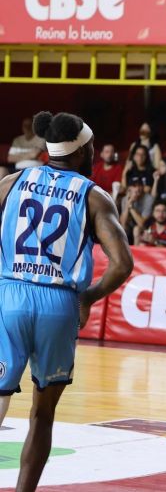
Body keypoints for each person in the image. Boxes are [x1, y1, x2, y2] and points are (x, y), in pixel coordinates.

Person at [0, 110, 133, 492]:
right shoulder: (93, 195)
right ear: (80, 151)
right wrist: (88, 297)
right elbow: (122, 264)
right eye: (91, 147)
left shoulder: (11, 182)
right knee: (42, 414)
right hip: (58, 302)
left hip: (10, 294)